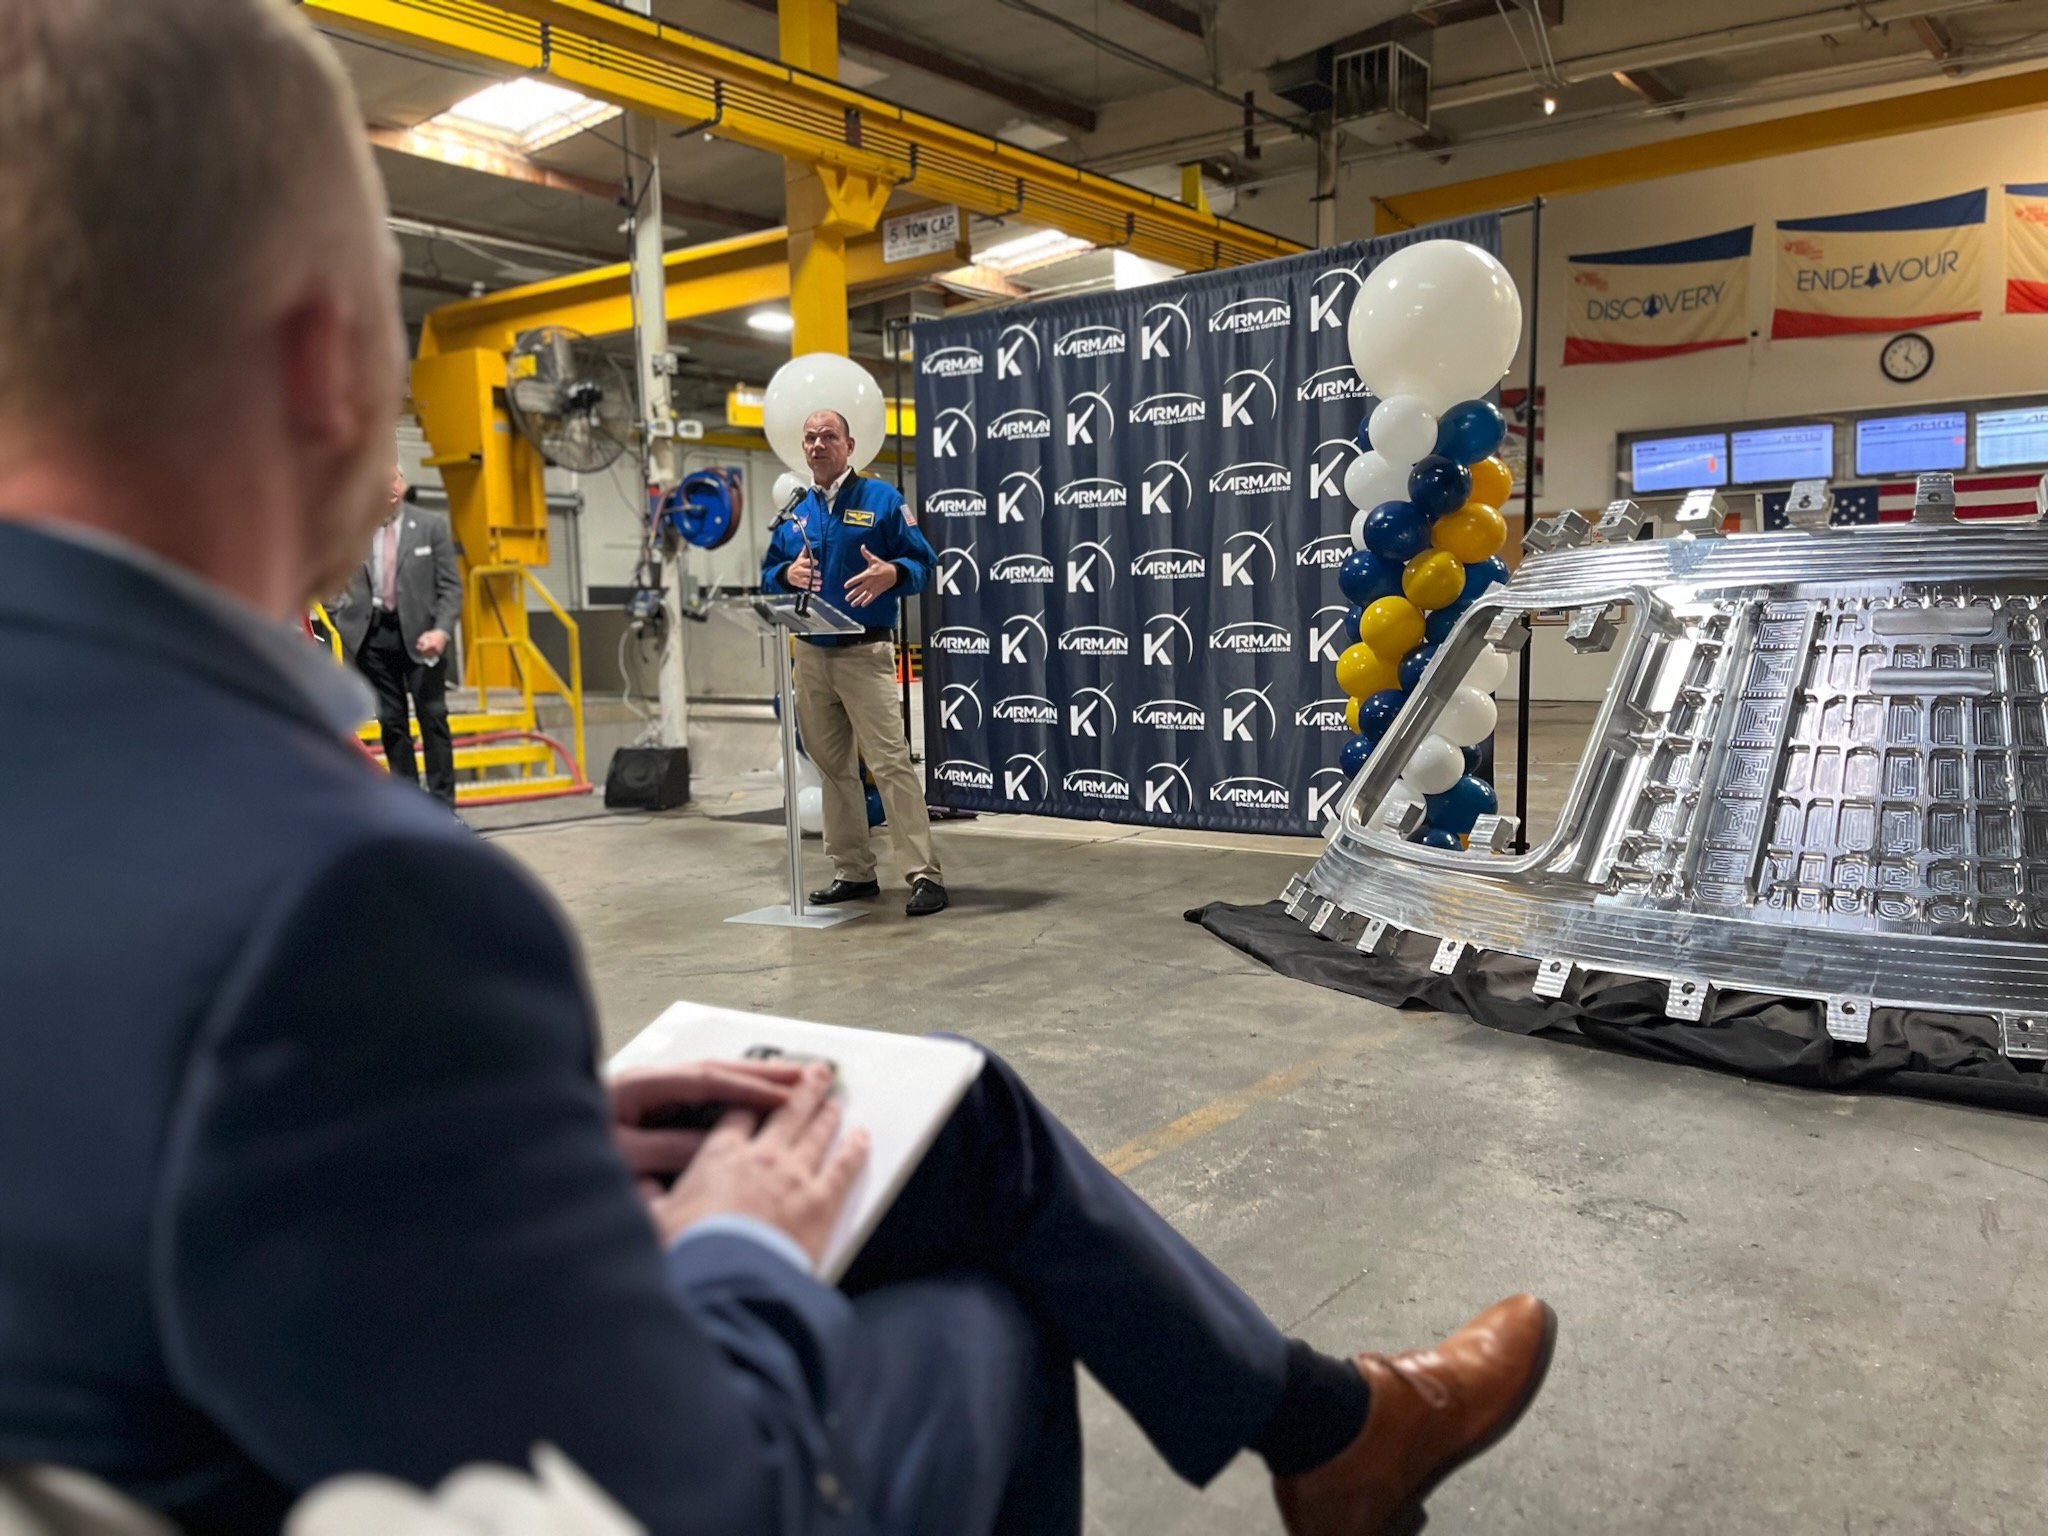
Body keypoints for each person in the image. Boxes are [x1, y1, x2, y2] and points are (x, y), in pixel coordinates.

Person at [0, 3, 1557, 1534]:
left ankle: (1333, 1432)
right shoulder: (351, 900)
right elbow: (698, 1491)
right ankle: (1330, 1433)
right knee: (977, 1311)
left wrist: (530, 1136)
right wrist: (732, 1250)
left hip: (262, 1385)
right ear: (325, 363)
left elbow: (221, 1191)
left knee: (960, 1114)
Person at [762, 411, 950, 918]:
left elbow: (923, 563)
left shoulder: (882, 500)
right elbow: (768, 573)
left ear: (849, 445)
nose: (818, 444)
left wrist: (893, 572)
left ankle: (923, 874)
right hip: (811, 655)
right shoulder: (797, 509)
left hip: (864, 653)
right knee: (832, 768)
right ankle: (853, 870)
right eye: (810, 437)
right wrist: (787, 570)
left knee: (890, 763)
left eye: (828, 436)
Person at [325, 465, 463, 804]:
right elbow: (333, 580)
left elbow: (450, 588)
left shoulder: (431, 528)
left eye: (395, 478)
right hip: (373, 639)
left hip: (423, 639)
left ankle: (443, 808)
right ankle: (410, 806)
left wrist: (441, 632)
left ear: (403, 483)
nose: (388, 486)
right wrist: (342, 618)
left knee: (433, 719)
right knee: (393, 724)